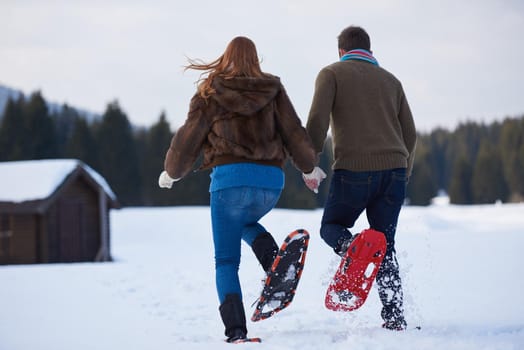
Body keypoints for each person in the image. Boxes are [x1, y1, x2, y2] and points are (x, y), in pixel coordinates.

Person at [158, 36, 325, 342]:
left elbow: (188, 139)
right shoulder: (273, 89)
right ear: (256, 59)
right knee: (244, 221)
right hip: (270, 185)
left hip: (229, 183)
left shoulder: (212, 90)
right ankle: (274, 261)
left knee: (226, 261)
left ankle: (236, 332)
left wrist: (172, 172)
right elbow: (294, 133)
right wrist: (309, 166)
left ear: (226, 58)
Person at [304, 26, 417, 330]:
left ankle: (351, 248)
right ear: (370, 50)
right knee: (385, 244)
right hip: (394, 172)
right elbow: (410, 133)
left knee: (331, 227)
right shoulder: (392, 81)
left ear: (341, 51)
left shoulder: (332, 74)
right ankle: (394, 316)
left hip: (353, 170)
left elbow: (317, 121)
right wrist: (403, 172)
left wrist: (308, 164)